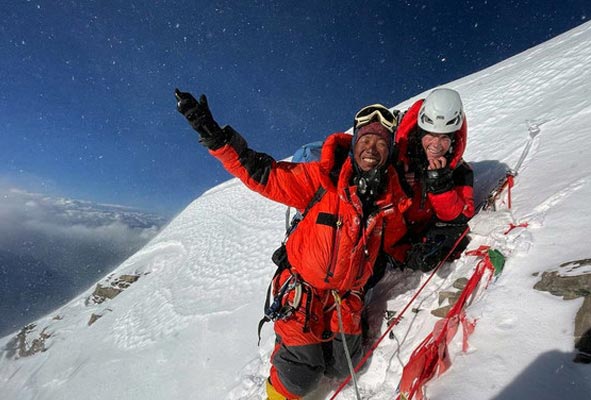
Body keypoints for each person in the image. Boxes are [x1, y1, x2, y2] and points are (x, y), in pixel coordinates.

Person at [175, 90, 409, 400]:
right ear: (353, 143)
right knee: (300, 376)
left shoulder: (389, 200)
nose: (372, 147)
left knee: (343, 368)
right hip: (303, 292)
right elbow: (262, 173)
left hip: (346, 299)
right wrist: (215, 137)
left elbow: (398, 244)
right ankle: (284, 366)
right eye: (366, 138)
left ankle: (320, 343)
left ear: (389, 151)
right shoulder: (320, 179)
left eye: (381, 142)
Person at [393, 88, 475, 271]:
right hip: (394, 239)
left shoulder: (460, 172)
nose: (436, 145)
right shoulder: (396, 159)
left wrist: (441, 187)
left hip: (424, 234)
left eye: (445, 137)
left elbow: (461, 216)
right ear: (420, 132)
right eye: (430, 135)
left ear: (454, 139)